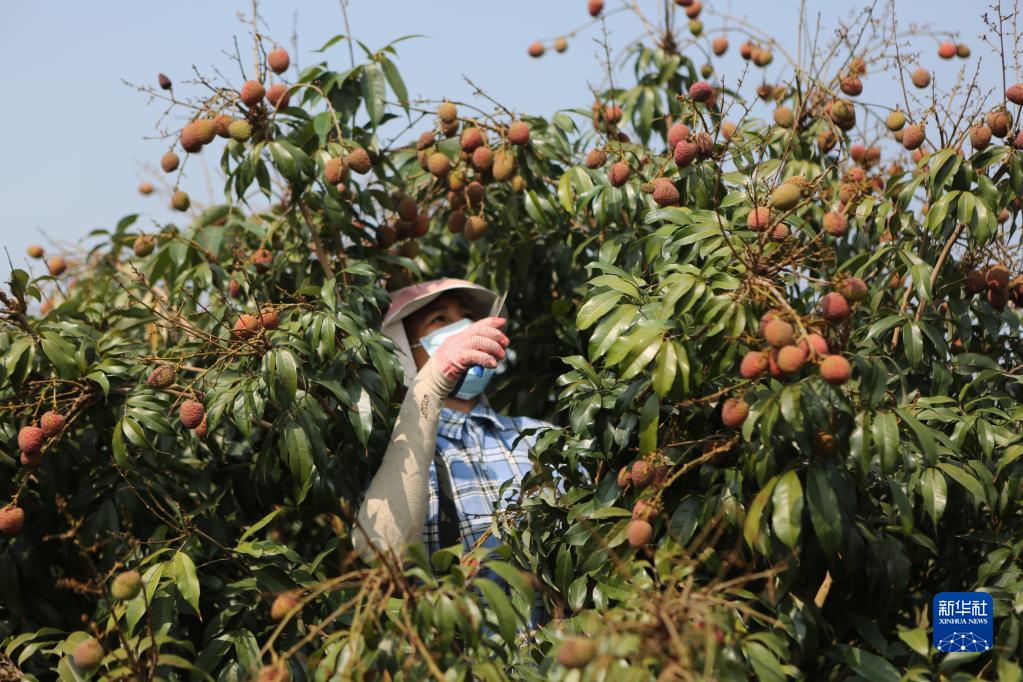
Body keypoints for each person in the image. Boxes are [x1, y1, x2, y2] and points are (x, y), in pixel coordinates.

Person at [353, 278, 554, 563]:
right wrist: (430, 385)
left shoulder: (541, 438)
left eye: (469, 316)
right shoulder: (387, 454)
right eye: (439, 319)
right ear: (401, 352)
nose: (465, 327)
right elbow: (381, 551)